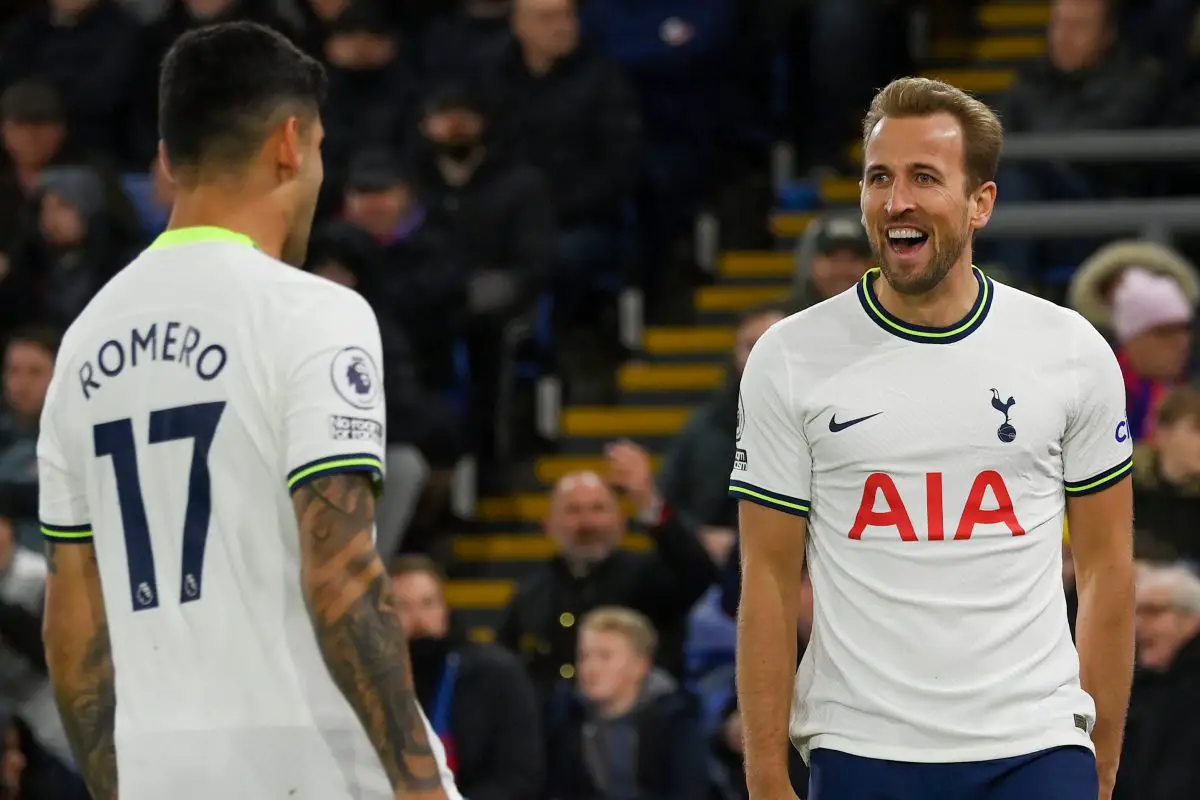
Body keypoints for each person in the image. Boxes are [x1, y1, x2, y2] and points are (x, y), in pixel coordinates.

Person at [34, 22, 458, 800]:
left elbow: (73, 616)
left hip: (160, 769)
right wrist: (419, 785)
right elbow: (341, 571)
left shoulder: (82, 345)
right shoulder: (313, 313)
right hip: (313, 760)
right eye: (322, 147)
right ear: (291, 143)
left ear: (167, 157)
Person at [732, 76, 1135, 800]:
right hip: (863, 749)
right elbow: (765, 577)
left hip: (1037, 749)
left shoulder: (1070, 350)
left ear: (981, 203)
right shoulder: (789, 357)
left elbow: (1108, 570)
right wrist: (765, 775)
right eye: (878, 178)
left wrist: (1100, 763)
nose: (897, 202)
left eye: (924, 177)